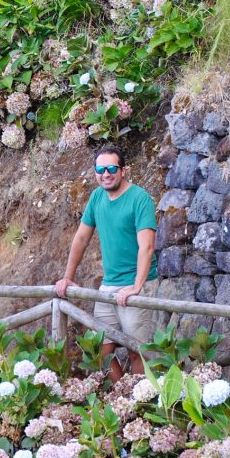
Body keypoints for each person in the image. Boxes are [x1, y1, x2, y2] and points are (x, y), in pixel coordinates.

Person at [54, 145, 158, 380]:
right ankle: (122, 395)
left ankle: (139, 406)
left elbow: (147, 246)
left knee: (137, 352)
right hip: (108, 285)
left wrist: (137, 286)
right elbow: (81, 237)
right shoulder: (97, 197)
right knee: (100, 350)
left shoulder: (140, 199)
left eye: (111, 168)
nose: (106, 173)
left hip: (135, 285)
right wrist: (68, 276)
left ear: (123, 170)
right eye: (100, 169)